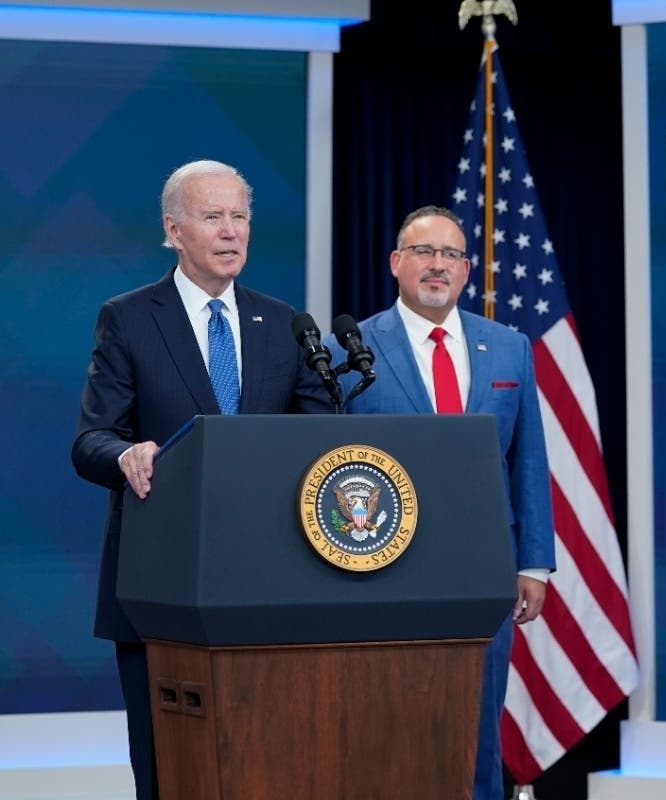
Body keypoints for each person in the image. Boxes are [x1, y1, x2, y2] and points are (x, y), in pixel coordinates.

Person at [71, 159, 332, 800]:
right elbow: (91, 439)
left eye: (239, 216)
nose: (230, 231)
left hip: (269, 585)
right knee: (170, 770)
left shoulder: (284, 324)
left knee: (266, 765)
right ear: (174, 230)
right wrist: (126, 456)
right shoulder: (129, 318)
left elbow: (320, 436)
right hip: (161, 582)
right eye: (212, 217)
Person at [327, 205, 556, 799]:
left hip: (483, 568)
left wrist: (532, 562)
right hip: (380, 570)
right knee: (387, 721)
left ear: (467, 269)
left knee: (478, 721)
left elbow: (527, 457)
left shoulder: (508, 348)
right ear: (396, 263)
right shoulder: (347, 351)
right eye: (424, 252)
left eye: (451, 254)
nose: (438, 266)